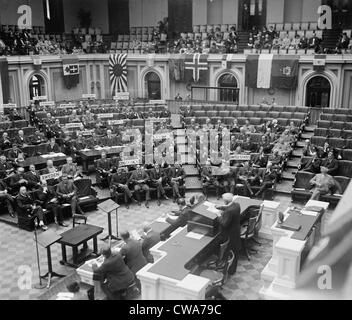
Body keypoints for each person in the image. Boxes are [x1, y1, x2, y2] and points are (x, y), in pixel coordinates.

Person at [215, 193, 241, 275]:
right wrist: (221, 207)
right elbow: (229, 207)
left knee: (231, 251)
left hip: (230, 234)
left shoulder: (229, 211)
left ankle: (230, 270)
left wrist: (219, 215)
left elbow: (224, 223)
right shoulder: (237, 205)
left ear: (225, 201)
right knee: (234, 251)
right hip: (236, 231)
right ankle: (232, 268)